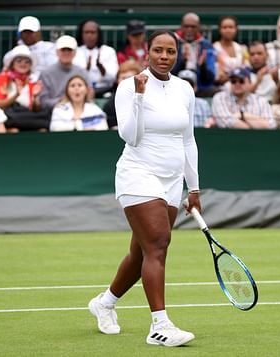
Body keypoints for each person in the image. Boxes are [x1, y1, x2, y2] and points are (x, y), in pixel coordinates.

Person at [88, 30, 199, 348]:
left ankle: (104, 303)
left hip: (172, 180)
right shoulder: (128, 85)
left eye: (171, 52)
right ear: (147, 53)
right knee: (159, 245)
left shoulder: (184, 89)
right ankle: (159, 326)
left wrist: (195, 188)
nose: (165, 57)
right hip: (138, 174)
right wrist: (138, 95)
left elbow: (188, 139)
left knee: (142, 253)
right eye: (158, 51)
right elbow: (130, 136)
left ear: (177, 55)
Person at [0, 45, 50, 132]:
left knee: (42, 130)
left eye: (27, 62)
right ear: (12, 63)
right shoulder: (1, 78)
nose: (23, 64)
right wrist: (16, 96)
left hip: (26, 119)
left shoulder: (32, 82)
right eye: (19, 61)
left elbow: (34, 109)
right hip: (6, 119)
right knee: (14, 130)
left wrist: (35, 97)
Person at [39, 35, 90, 111]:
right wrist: (61, 101)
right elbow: (43, 101)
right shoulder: (46, 73)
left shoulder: (82, 72)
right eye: (63, 50)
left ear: (75, 52)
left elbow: (88, 97)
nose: (66, 53)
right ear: (57, 52)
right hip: (52, 114)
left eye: (69, 50)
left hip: (79, 112)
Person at [172, 12, 217, 97]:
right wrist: (182, 61)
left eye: (193, 27)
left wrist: (203, 66)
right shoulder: (172, 42)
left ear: (198, 27)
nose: (189, 30)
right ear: (181, 26)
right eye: (186, 26)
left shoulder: (206, 45)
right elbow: (168, 73)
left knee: (217, 91)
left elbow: (210, 78)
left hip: (199, 86)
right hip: (175, 84)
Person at [75, 19, 118, 98]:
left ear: (98, 34)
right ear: (81, 34)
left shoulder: (108, 51)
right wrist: (86, 69)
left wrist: (101, 67)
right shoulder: (76, 51)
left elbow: (112, 78)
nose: (89, 35)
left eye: (93, 32)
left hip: (105, 90)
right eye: (86, 32)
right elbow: (74, 77)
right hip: (82, 91)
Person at [102, 60, 142, 129]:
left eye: (130, 78)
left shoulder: (148, 100)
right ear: (117, 81)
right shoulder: (110, 105)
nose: (126, 82)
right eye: (123, 78)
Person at [213, 16, 249, 87]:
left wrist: (229, 75)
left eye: (231, 27)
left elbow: (247, 70)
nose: (228, 30)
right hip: (221, 88)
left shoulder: (243, 48)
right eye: (224, 27)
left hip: (242, 87)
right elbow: (219, 77)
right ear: (220, 30)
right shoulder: (214, 48)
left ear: (236, 29)